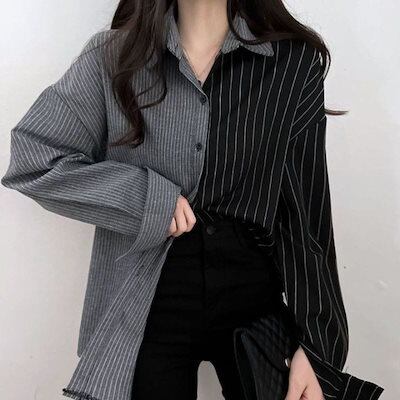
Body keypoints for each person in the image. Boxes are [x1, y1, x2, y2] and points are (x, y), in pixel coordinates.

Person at [1, 0, 384, 400]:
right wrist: (144, 198)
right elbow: (34, 157)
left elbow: (305, 215)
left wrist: (317, 347)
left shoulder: (291, 63)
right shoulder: (112, 57)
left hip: (253, 292)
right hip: (147, 297)